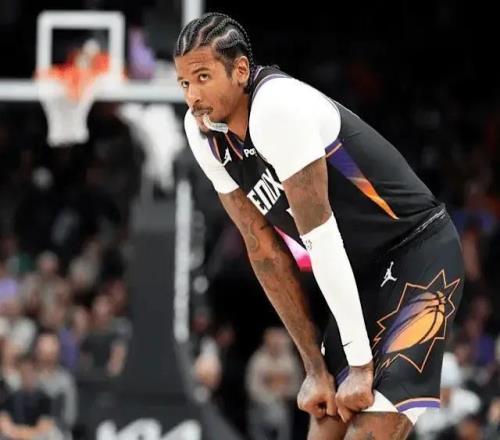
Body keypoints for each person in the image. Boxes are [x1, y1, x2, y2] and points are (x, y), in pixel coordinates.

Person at [174, 12, 464, 439]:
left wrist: (360, 366)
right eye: (184, 83)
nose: (192, 96)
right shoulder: (203, 134)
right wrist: (314, 367)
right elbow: (263, 250)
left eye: (203, 77)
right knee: (326, 425)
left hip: (417, 251)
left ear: (240, 71)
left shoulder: (276, 107)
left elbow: (321, 241)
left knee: (369, 430)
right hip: (358, 275)